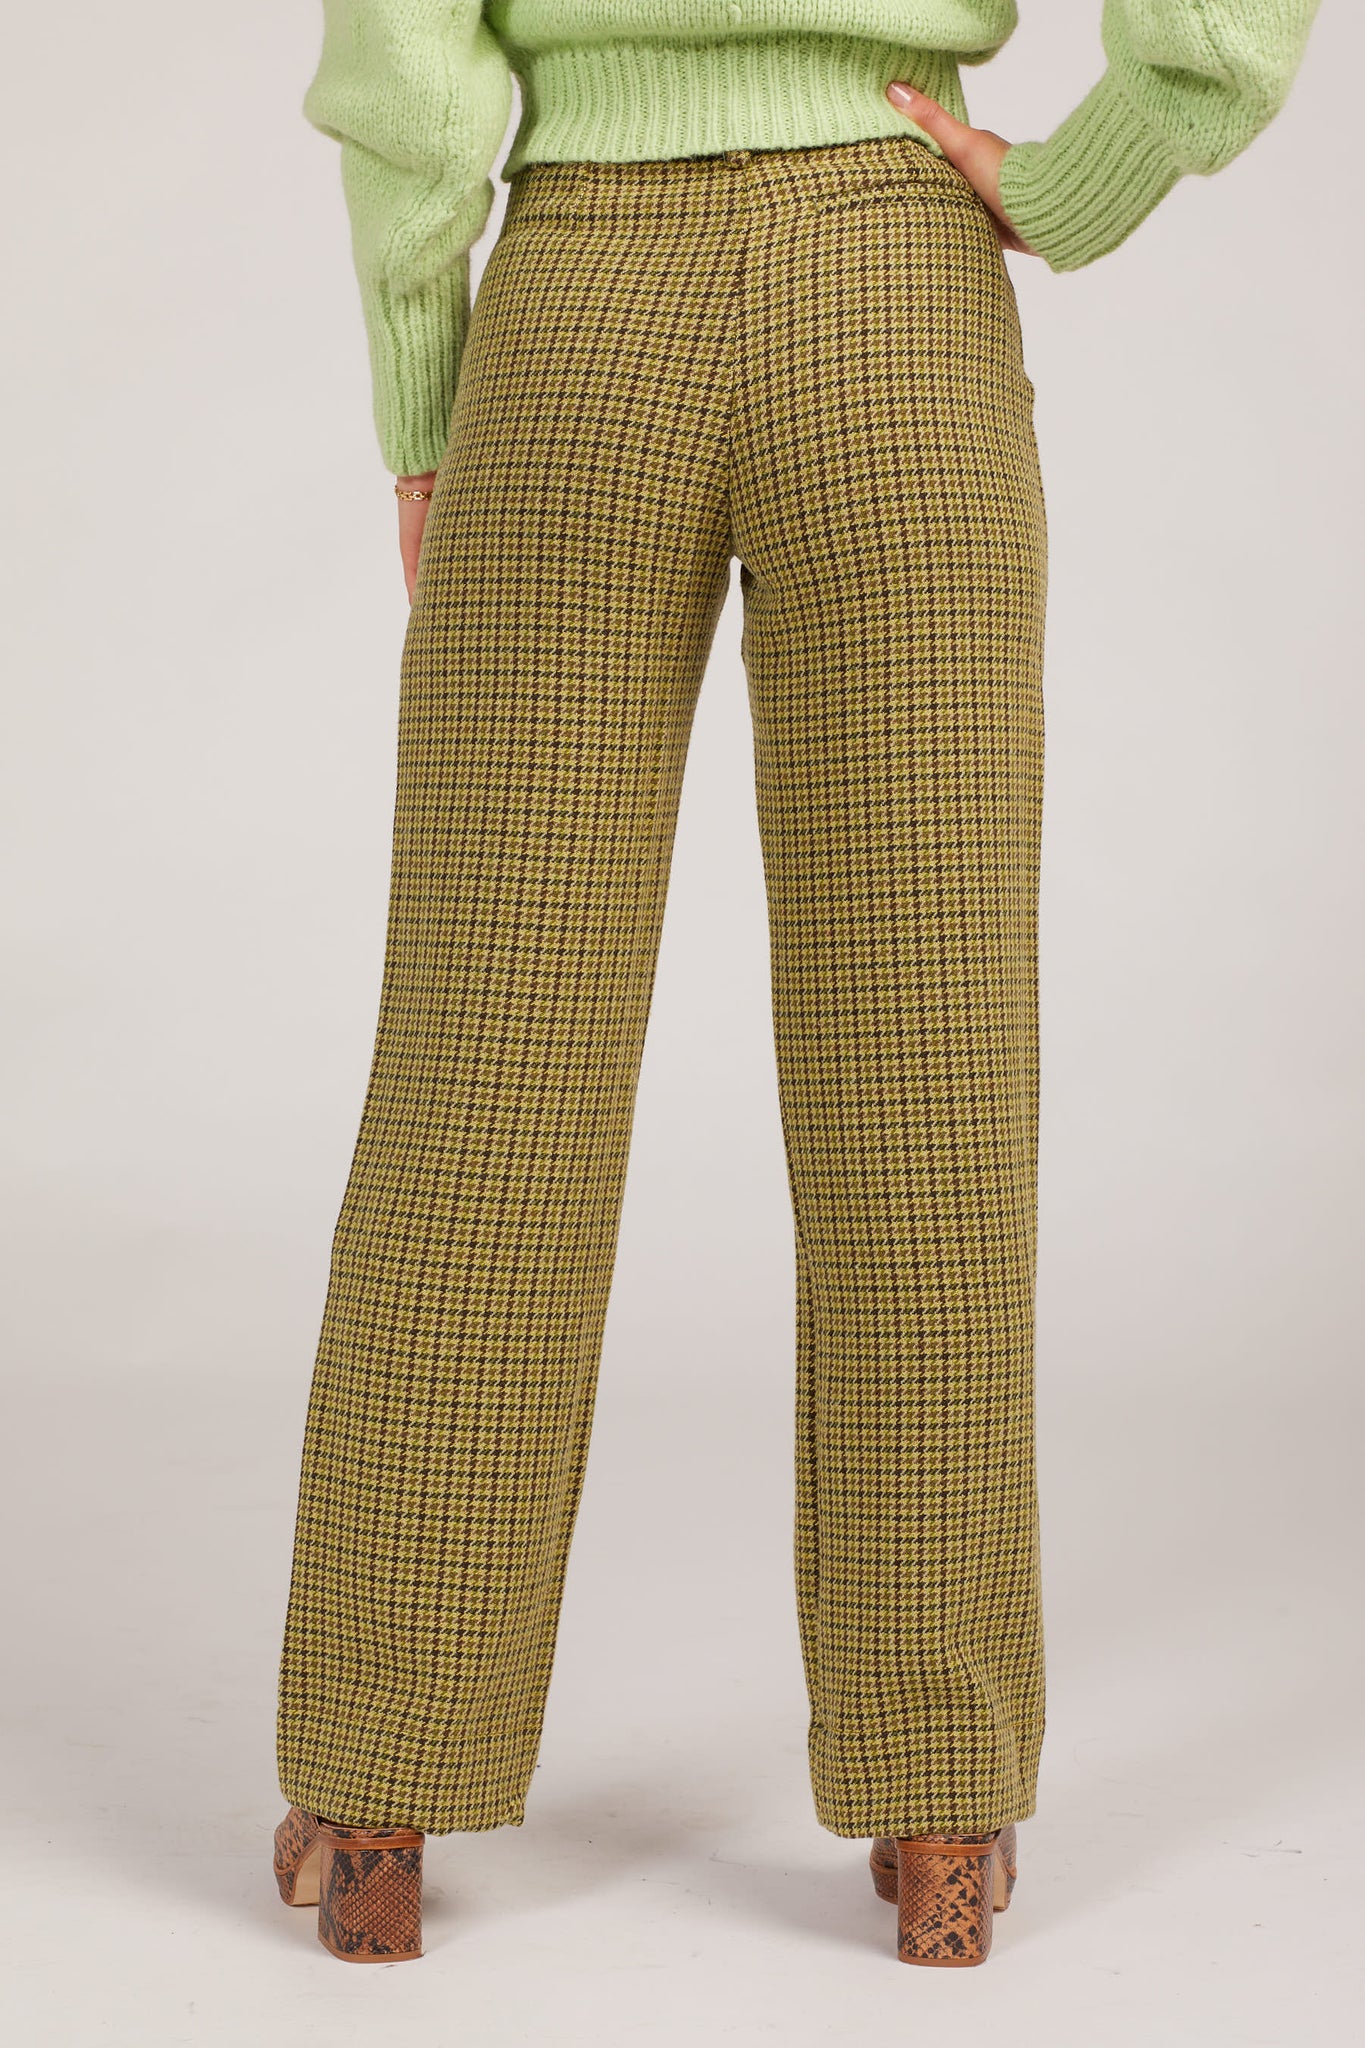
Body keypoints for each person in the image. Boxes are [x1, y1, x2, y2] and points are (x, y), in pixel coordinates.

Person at [270, 0, 1320, 1968]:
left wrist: (423, 388)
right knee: (923, 1069)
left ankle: (378, 1794)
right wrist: (1095, 173)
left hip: (578, 311)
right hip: (898, 295)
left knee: (488, 1062)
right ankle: (943, 1817)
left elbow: (409, 52)